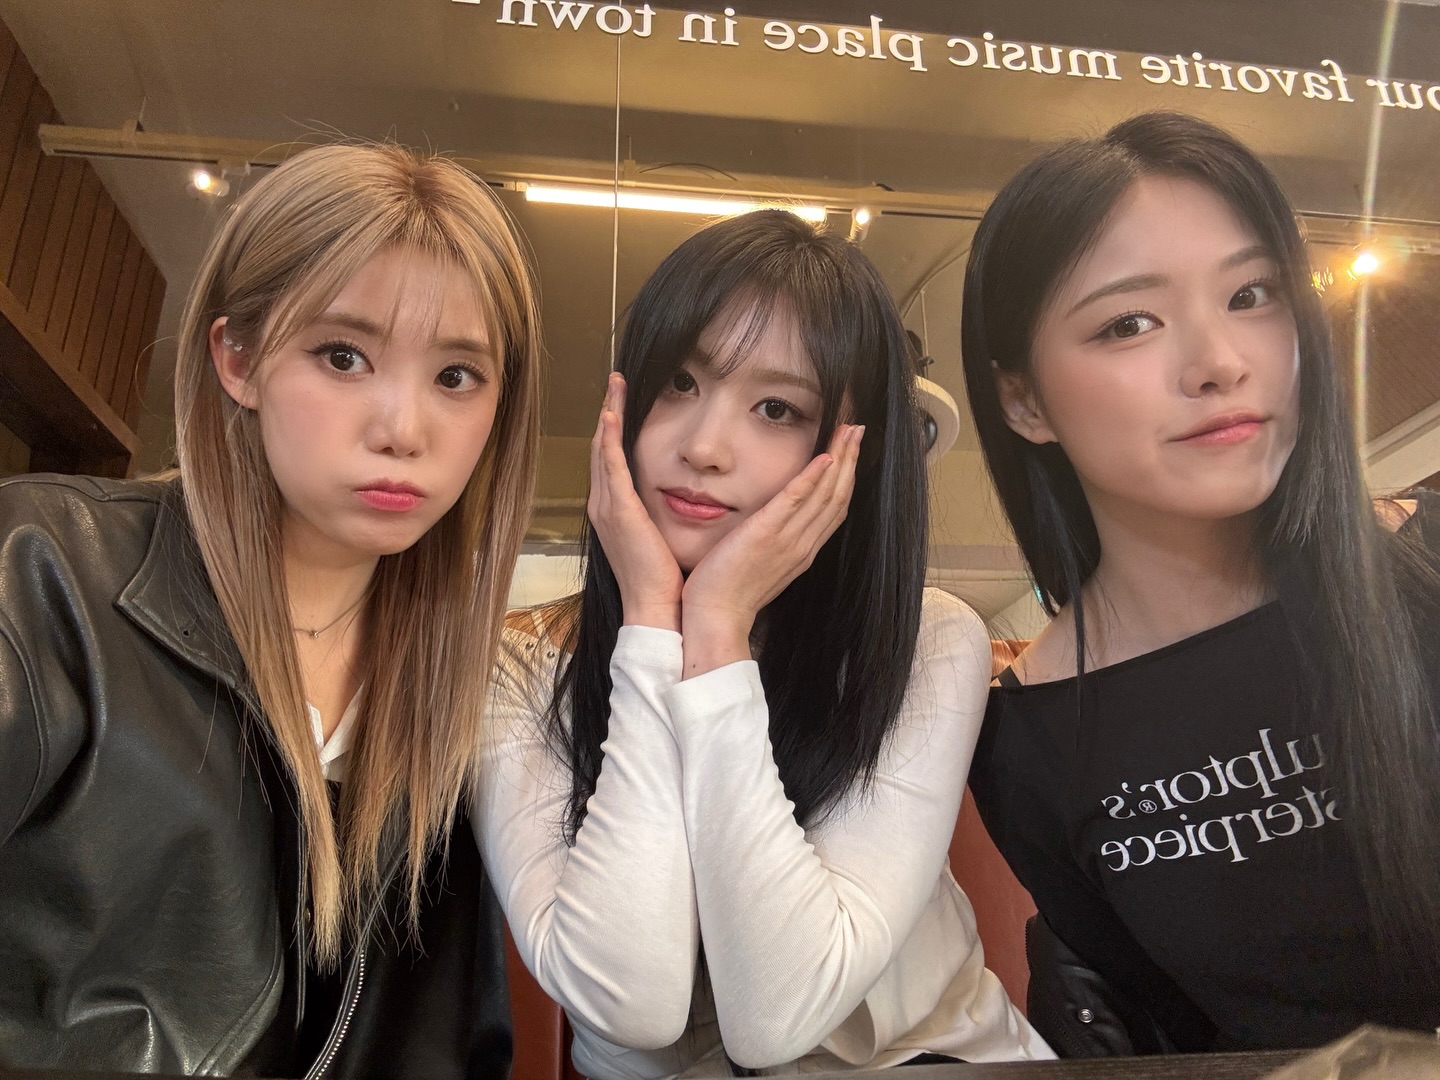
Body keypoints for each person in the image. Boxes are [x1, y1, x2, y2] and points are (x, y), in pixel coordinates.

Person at [0, 143, 542, 1077]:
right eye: (343, 356)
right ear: (238, 359)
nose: (404, 429)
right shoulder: (43, 571)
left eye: (457, 376)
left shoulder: (467, 689)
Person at [478, 209, 1050, 1079]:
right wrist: (651, 625)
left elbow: (778, 1012)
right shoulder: (516, 671)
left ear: (857, 456)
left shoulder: (927, 642)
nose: (704, 447)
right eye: (679, 382)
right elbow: (629, 1003)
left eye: (777, 409)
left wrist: (716, 628)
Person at [962, 111, 1440, 1054]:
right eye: (1129, 323)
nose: (1222, 363)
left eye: (1252, 294)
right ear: (1023, 400)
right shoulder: (1028, 742)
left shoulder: (1426, 566)